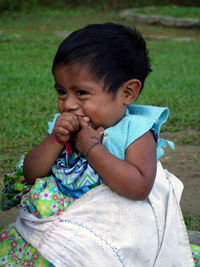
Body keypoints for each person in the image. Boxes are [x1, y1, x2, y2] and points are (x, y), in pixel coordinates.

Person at [0, 23, 198, 266]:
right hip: (53, 232)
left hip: (107, 236)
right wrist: (55, 140)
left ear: (127, 92)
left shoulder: (134, 133)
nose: (68, 104)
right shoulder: (64, 128)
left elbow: (139, 187)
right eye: (62, 91)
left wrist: (92, 149)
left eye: (81, 92)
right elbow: (30, 173)